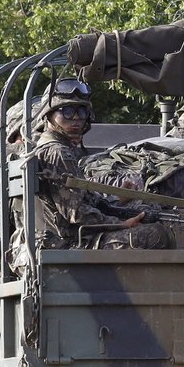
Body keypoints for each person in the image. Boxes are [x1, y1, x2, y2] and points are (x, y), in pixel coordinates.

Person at [30, 82, 174, 250]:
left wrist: (119, 199)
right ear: (49, 116)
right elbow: (76, 214)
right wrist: (121, 224)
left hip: (65, 238)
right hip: (72, 242)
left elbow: (83, 201)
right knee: (156, 234)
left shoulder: (49, 149)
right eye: (67, 111)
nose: (76, 118)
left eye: (82, 112)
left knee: (147, 211)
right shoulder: (58, 152)